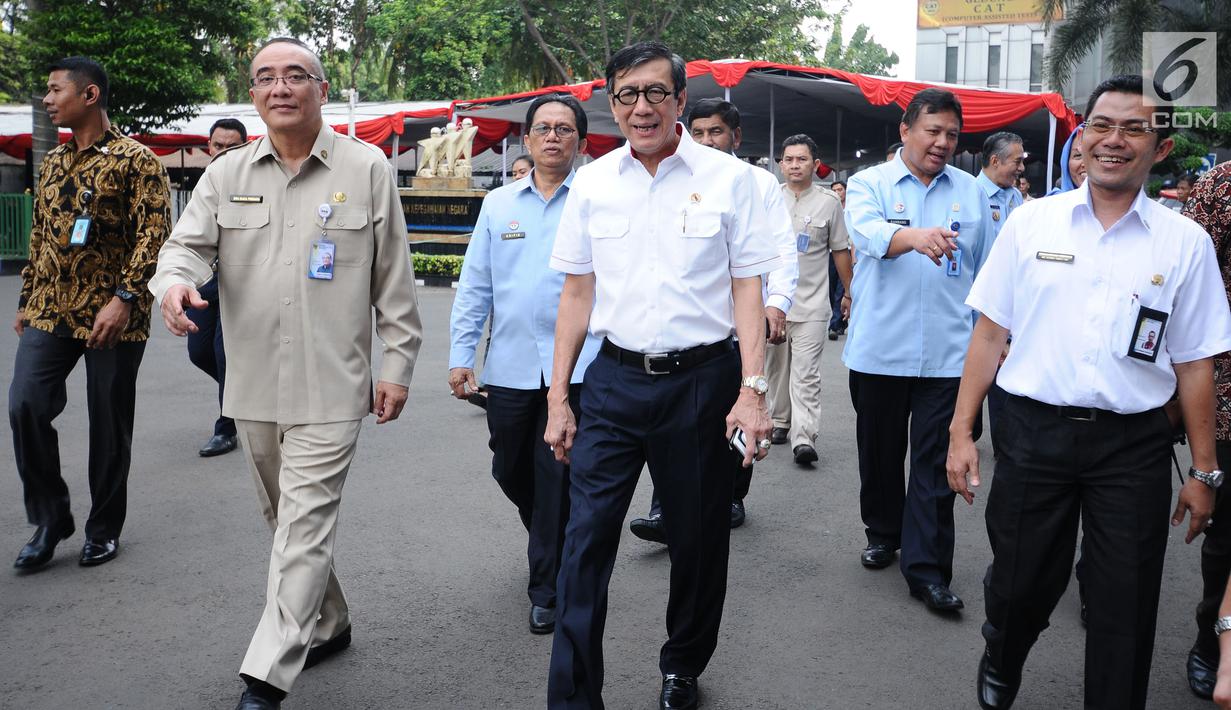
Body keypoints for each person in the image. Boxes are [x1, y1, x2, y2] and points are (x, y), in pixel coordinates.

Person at [150, 38, 422, 710]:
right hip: (251, 383)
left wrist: (398, 363)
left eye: (295, 75)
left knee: (302, 526)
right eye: (266, 77)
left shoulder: (365, 169)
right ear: (253, 94)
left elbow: (394, 278)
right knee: (285, 519)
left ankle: (265, 679)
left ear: (320, 89)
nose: (280, 87)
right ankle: (328, 621)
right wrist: (174, 284)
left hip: (334, 383)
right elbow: (184, 248)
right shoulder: (227, 174)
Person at [946, 75, 1231, 710]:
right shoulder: (1032, 224)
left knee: (1124, 602)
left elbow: (1194, 364)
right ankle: (1004, 648)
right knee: (1020, 582)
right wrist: (962, 431)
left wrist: (1205, 473)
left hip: (1133, 445)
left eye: (1135, 129)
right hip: (1033, 432)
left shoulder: (1185, 244)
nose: (1114, 140)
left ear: (1159, 149)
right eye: (1102, 124)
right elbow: (990, 334)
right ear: (1084, 134)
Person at [542, 41, 780, 710]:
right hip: (612, 384)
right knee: (583, 541)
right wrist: (559, 398)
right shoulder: (592, 182)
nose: (640, 107)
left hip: (702, 385)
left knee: (698, 540)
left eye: (654, 93)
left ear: (679, 99)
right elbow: (576, 296)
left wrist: (751, 392)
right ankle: (572, 695)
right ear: (611, 103)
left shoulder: (731, 180)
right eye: (625, 94)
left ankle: (682, 663)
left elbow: (746, 291)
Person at [9, 56, 171, 571]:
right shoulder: (53, 162)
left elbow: (154, 236)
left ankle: (103, 529)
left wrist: (125, 298)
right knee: (25, 406)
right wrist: (26, 299)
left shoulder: (136, 159)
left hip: (113, 316)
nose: (47, 99)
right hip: (50, 312)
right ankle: (50, 517)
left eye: (55, 90)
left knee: (108, 424)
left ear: (90, 96)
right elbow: (42, 235)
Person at [449, 93, 600, 635]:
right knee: (510, 466)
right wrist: (461, 355)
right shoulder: (499, 205)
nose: (553, 136)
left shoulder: (597, 202)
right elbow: (475, 286)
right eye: (543, 128)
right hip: (510, 366)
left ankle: (547, 585)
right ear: (528, 140)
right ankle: (546, 534)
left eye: (565, 128)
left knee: (556, 472)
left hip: (582, 368)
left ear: (580, 143)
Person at [842, 88, 993, 612]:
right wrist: (914, 237)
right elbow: (864, 233)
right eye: (933, 131)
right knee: (880, 455)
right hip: (880, 350)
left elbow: (990, 272)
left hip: (951, 357)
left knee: (935, 465)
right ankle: (883, 529)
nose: (942, 142)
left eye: (952, 134)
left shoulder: (973, 193)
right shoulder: (869, 184)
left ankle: (927, 570)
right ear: (905, 130)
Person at [627, 97, 796, 541]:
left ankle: (732, 493)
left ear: (735, 137)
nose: (706, 140)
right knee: (674, 418)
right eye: (698, 132)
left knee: (736, 407)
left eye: (715, 132)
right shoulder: (674, 175)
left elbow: (781, 250)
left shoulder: (757, 183)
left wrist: (776, 303)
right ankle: (665, 508)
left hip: (744, 320)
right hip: (690, 322)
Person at [768, 134, 851, 466]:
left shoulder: (829, 202)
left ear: (816, 165)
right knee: (775, 369)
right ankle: (779, 421)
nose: (794, 165)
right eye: (788, 159)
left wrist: (849, 291)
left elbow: (840, 250)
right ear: (781, 164)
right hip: (774, 302)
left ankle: (803, 438)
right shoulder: (770, 198)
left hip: (813, 304)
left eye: (801, 159)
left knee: (805, 373)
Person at [1182, 159, 1231, 701]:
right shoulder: (1221, 187)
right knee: (1226, 536)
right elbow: (1184, 292)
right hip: (1226, 395)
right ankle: (1211, 642)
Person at [188, 118, 247, 458]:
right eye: (218, 145)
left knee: (227, 356)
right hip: (206, 281)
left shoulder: (257, 180)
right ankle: (246, 395)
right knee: (200, 353)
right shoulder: (204, 185)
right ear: (209, 147)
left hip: (242, 284)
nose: (224, 152)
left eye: (232, 146)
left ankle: (226, 428)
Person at [975, 132, 1026, 457]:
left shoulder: (1015, 198)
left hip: (1015, 302)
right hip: (980, 304)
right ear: (996, 161)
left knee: (1005, 377)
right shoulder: (972, 194)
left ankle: (1006, 444)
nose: (1021, 168)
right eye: (1017, 161)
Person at [828, 180, 850, 341]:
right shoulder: (829, 209)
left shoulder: (852, 209)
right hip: (830, 253)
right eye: (834, 190)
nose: (837, 192)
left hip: (847, 252)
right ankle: (838, 321)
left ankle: (835, 325)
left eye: (840, 189)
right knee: (831, 288)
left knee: (840, 291)